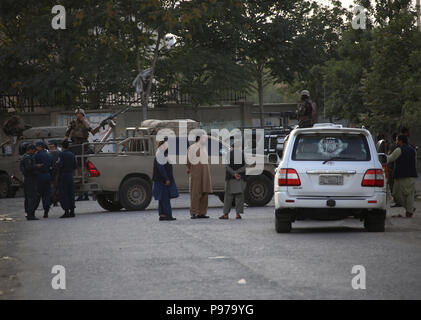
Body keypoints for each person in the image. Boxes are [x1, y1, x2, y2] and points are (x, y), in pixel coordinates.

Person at [387, 134, 418, 218]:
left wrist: (382, 158)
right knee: (409, 195)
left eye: (397, 140)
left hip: (401, 176)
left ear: (401, 141)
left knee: (396, 194)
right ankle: (410, 210)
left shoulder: (398, 150)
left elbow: (390, 159)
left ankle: (410, 209)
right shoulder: (412, 150)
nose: (396, 142)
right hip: (411, 175)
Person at [219, 141, 247, 220]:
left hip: (230, 178)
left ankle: (226, 215)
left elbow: (226, 166)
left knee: (228, 196)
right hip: (240, 178)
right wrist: (238, 173)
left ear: (232, 147)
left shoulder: (228, 154)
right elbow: (245, 166)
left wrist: (234, 174)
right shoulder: (242, 154)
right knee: (239, 196)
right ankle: (238, 214)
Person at [187, 135, 212, 219]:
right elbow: (188, 161)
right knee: (195, 193)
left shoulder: (204, 148)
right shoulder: (192, 147)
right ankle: (194, 212)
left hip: (205, 174)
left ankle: (202, 213)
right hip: (196, 173)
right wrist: (189, 168)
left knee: (204, 193)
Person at [152, 140, 178, 221]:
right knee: (165, 198)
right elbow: (161, 168)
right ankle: (168, 215)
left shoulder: (161, 153)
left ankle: (162, 215)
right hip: (162, 181)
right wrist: (166, 179)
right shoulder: (160, 154)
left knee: (161, 198)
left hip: (160, 180)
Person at [56, 140, 78, 218]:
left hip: (63, 175)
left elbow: (59, 164)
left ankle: (66, 211)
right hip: (70, 175)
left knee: (64, 193)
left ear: (62, 147)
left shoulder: (61, 154)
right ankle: (72, 211)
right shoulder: (72, 154)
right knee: (71, 193)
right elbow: (75, 166)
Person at [20, 144, 40, 220]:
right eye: (34, 150)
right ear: (30, 150)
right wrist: (37, 166)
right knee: (32, 197)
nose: (35, 152)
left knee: (29, 197)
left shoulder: (26, 157)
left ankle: (29, 213)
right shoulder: (27, 158)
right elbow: (28, 168)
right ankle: (30, 214)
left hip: (28, 179)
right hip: (30, 179)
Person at [34, 141, 53, 218]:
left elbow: (34, 165)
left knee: (38, 194)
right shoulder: (48, 155)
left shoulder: (37, 155)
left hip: (39, 176)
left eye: (37, 146)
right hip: (48, 175)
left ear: (40, 147)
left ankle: (32, 212)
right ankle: (46, 212)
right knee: (47, 194)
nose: (36, 148)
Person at [48, 141, 60, 206]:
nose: (50, 145)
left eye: (51, 144)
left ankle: (54, 200)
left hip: (55, 171)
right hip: (54, 171)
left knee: (54, 187)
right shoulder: (49, 152)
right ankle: (54, 200)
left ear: (54, 145)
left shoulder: (54, 152)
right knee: (54, 187)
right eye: (49, 144)